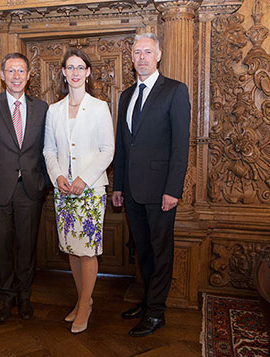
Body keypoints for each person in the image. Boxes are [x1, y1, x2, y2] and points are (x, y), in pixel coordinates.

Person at [112, 33, 191, 337]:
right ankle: (147, 302)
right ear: (131, 58)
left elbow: (180, 147)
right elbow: (123, 144)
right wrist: (117, 185)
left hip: (161, 192)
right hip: (131, 191)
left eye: (147, 52)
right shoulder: (126, 95)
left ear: (158, 55)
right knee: (142, 251)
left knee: (160, 252)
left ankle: (157, 313)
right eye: (136, 52)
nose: (141, 57)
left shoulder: (174, 91)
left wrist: (173, 189)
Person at [43, 49, 114, 334]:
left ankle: (85, 306)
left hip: (90, 190)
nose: (74, 72)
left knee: (87, 252)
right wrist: (57, 175)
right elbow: (49, 149)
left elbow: (107, 150)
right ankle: (83, 298)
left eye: (79, 67)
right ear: (63, 72)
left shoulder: (99, 107)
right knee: (71, 249)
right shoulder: (54, 110)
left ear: (87, 72)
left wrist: (84, 178)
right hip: (63, 190)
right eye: (69, 67)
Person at [0, 53, 48, 322]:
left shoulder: (41, 108)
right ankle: (6, 297)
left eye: (21, 71)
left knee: (27, 247)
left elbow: (48, 149)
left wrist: (45, 182)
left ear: (29, 76)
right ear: (3, 75)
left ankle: (25, 297)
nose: (17, 76)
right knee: (2, 247)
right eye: (11, 71)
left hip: (30, 189)